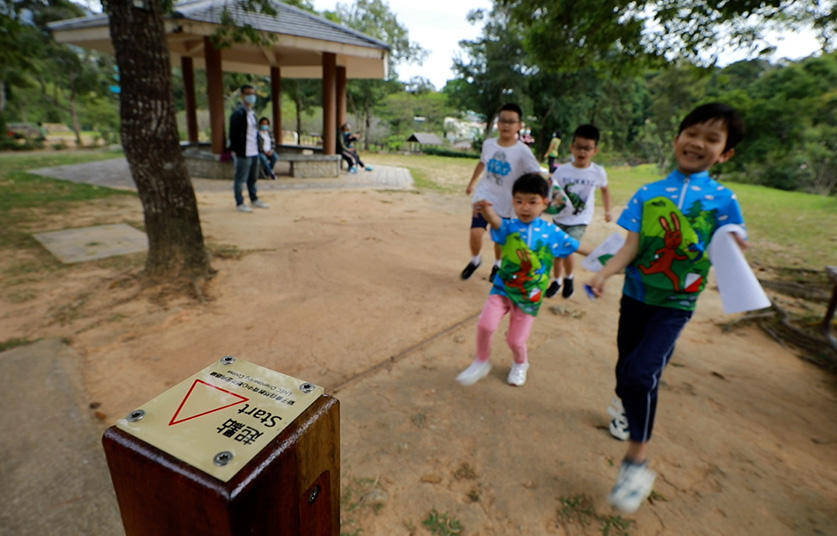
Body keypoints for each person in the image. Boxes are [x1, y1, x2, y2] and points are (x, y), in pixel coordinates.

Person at [587, 103, 747, 513]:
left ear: (725, 153)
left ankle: (636, 461)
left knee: (641, 374)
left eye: (713, 139)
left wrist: (734, 243)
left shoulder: (724, 200)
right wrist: (605, 274)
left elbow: (731, 242)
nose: (698, 143)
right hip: (636, 297)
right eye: (692, 133)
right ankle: (626, 408)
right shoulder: (648, 193)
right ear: (677, 138)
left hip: (675, 304)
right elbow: (631, 247)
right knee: (626, 371)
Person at [456, 174, 579, 387]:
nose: (525, 207)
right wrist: (485, 209)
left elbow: (576, 246)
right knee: (485, 325)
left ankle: (520, 363)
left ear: (545, 204)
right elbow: (496, 222)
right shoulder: (510, 226)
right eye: (519, 201)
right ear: (513, 202)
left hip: (530, 296)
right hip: (503, 288)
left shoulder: (551, 232)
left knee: (515, 340)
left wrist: (609, 256)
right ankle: (481, 360)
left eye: (532, 202)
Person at [462, 103, 542, 281]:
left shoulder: (523, 151)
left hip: (506, 201)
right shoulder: (489, 144)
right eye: (503, 121)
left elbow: (535, 174)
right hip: (485, 194)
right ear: (498, 123)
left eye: (511, 121)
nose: (506, 125)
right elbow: (483, 163)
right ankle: (475, 260)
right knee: (476, 232)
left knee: (499, 238)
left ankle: (497, 265)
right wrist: (472, 183)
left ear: (519, 125)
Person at [545, 124, 612, 299]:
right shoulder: (562, 170)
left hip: (580, 219)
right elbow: (554, 191)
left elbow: (605, 190)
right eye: (579, 147)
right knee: (556, 252)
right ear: (572, 147)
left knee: (566, 248)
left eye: (587, 148)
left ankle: (568, 278)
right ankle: (558, 281)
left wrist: (608, 211)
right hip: (560, 217)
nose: (582, 152)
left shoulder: (598, 172)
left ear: (595, 150)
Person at [228, 84, 269, 213]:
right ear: (242, 96)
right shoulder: (238, 113)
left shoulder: (252, 113)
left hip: (254, 151)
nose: (251, 97)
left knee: (253, 178)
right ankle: (240, 202)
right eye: (248, 94)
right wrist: (234, 149)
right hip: (243, 151)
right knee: (241, 178)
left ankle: (254, 198)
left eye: (253, 94)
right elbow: (233, 133)